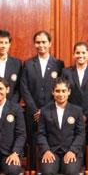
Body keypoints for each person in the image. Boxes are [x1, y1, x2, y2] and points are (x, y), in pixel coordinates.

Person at [37, 77, 85, 175]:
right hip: (51, 152)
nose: (60, 94)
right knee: (47, 172)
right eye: (57, 91)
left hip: (71, 151)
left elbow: (80, 134)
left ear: (69, 92)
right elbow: (41, 134)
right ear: (53, 92)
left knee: (72, 173)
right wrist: (46, 150)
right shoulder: (45, 111)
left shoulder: (77, 111)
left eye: (64, 91)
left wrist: (73, 150)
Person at [21, 30, 65, 161]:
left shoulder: (58, 64)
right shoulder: (28, 64)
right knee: (34, 145)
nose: (41, 45)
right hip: (32, 114)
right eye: (38, 42)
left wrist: (45, 110)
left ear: (50, 43)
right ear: (34, 44)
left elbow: (61, 89)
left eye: (44, 42)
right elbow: (24, 88)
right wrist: (35, 110)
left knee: (51, 142)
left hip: (52, 111)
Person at [61, 41, 88, 153]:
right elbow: (63, 95)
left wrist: (86, 115)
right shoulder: (66, 72)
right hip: (70, 116)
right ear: (74, 55)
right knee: (72, 147)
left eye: (83, 53)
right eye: (77, 53)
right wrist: (75, 114)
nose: (80, 55)